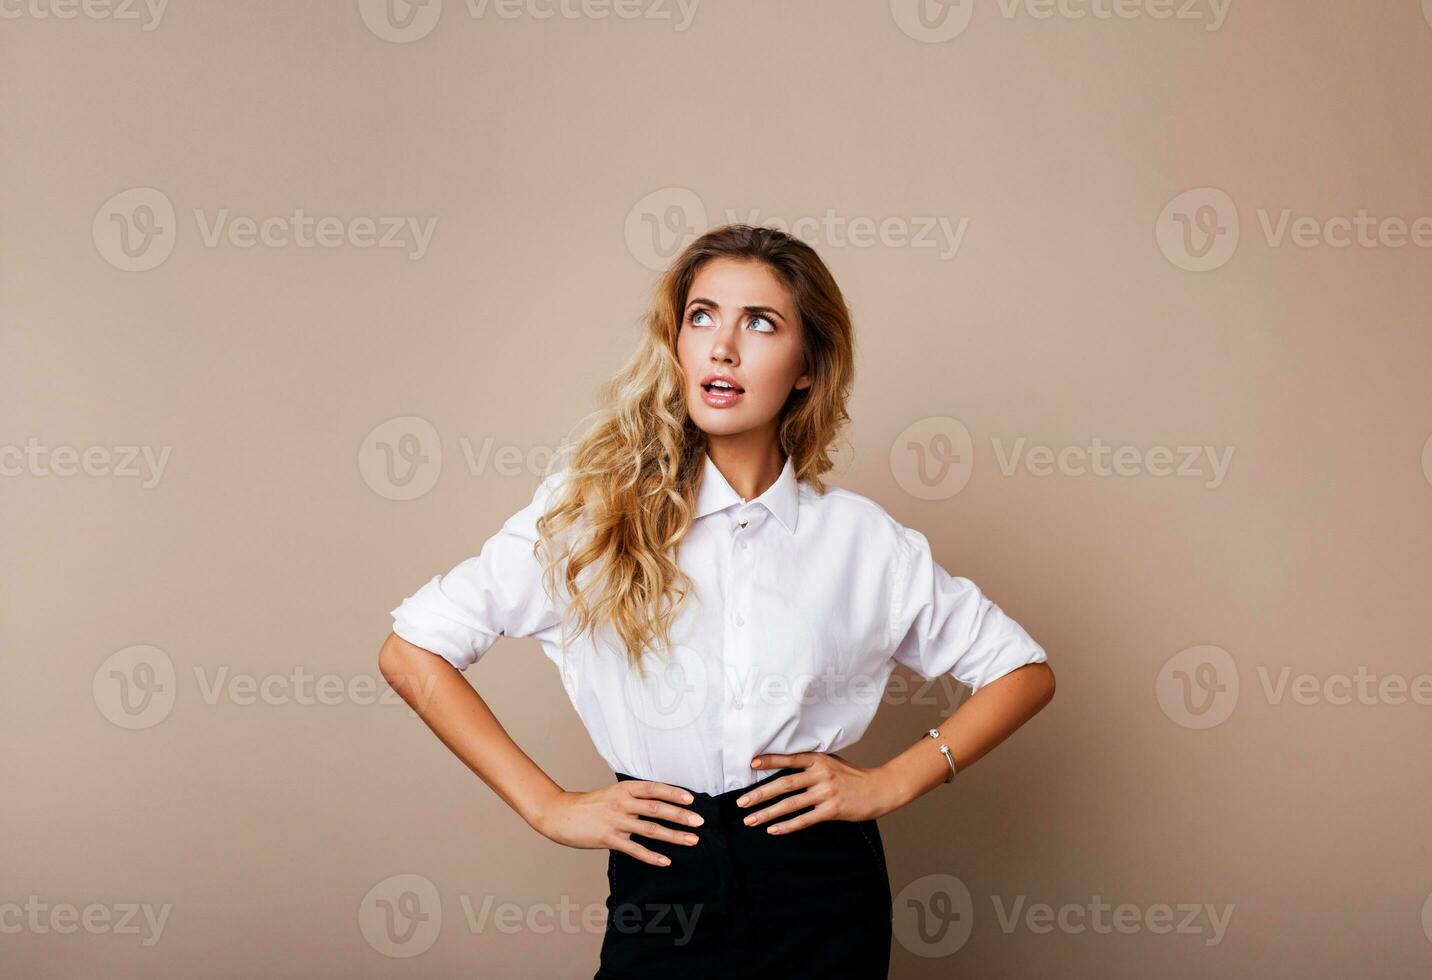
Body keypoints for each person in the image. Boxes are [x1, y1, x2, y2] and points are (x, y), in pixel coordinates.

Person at [378, 224, 1057, 978]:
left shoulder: (862, 542)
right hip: (663, 880)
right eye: (701, 317)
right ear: (676, 342)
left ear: (807, 367)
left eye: (760, 323)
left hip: (824, 889)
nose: (721, 347)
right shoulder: (590, 513)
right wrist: (546, 805)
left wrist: (896, 780)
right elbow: (411, 651)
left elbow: (1023, 672)